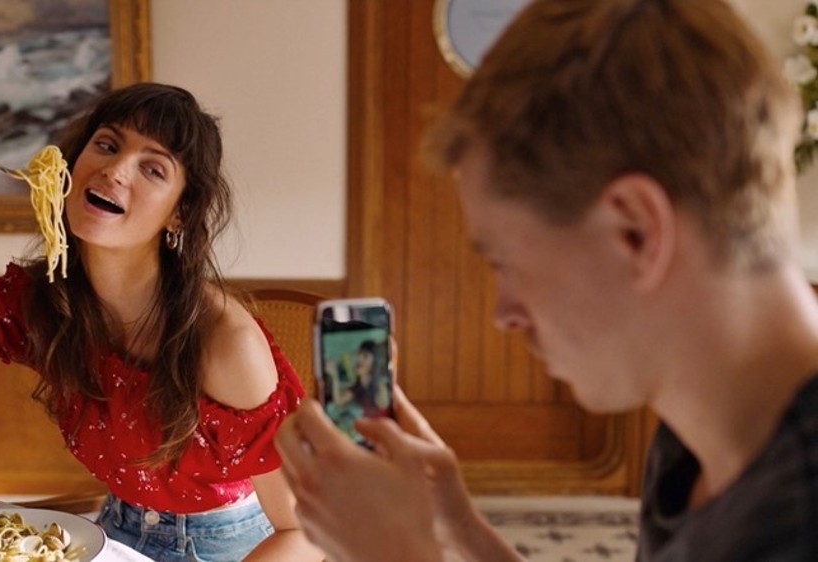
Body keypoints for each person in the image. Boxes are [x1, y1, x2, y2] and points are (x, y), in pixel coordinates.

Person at [275, 0, 818, 560]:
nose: (503, 313)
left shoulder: (796, 519)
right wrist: (458, 526)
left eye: (507, 262)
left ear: (635, 230)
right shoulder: (701, 427)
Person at [0, 82, 324, 562]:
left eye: (152, 168)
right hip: (109, 531)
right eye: (107, 145)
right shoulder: (39, 300)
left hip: (233, 548)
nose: (114, 169)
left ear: (180, 213)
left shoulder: (223, 343)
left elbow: (303, 531)